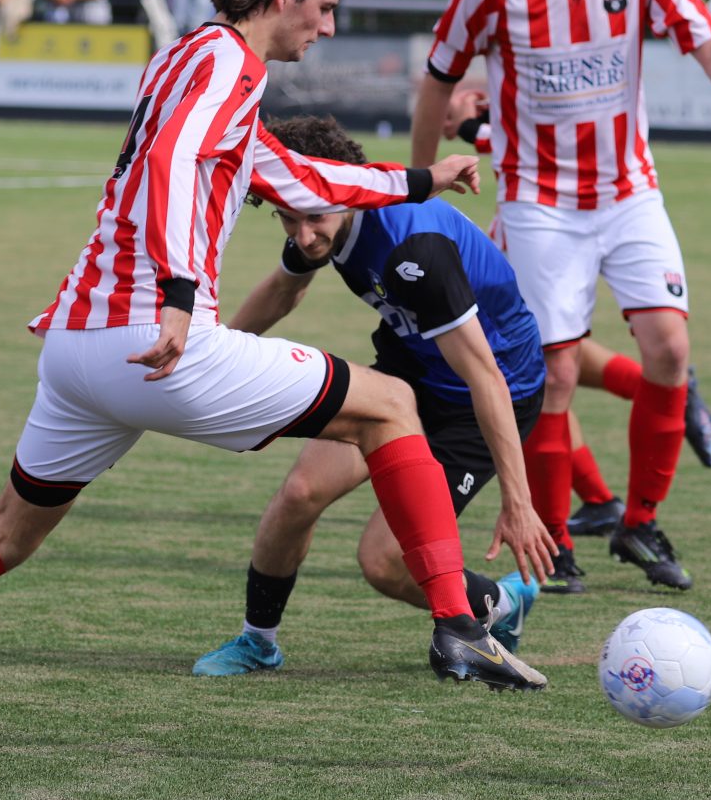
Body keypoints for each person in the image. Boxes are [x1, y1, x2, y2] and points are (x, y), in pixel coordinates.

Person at [0, 0, 537, 742]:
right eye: (322, 8)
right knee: (392, 402)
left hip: (77, 350)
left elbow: (284, 170)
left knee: (6, 531)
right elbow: (176, 162)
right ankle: (459, 624)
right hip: (154, 336)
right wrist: (182, 297)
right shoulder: (229, 64)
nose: (327, 28)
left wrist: (422, 176)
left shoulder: (189, 54)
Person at [412, 0, 711, 592]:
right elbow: (438, 79)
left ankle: (639, 522)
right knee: (553, 374)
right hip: (540, 201)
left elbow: (707, 41)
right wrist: (420, 180)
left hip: (628, 192)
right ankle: (554, 541)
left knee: (670, 351)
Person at [191, 114, 556, 677]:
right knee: (300, 492)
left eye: (312, 217)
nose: (302, 235)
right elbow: (284, 290)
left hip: (481, 397)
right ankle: (257, 643)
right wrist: (213, 350)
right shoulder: (327, 220)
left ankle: (502, 603)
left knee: (385, 562)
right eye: (288, 218)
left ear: (345, 192)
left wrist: (519, 502)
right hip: (409, 372)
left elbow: (485, 376)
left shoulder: (414, 253)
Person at [442, 87, 711, 568]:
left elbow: (524, 139)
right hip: (539, 221)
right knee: (555, 371)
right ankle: (601, 495)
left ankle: (603, 489)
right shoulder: (535, 74)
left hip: (537, 226)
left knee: (542, 374)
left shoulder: (556, 77)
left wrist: (463, 125)